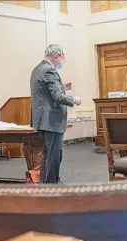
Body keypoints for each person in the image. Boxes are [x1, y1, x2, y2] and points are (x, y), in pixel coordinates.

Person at [30, 44, 81, 184]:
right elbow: (57, 96)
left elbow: (47, 92)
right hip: (51, 120)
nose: (62, 61)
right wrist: (74, 99)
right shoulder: (49, 71)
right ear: (56, 56)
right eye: (62, 58)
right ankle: (52, 189)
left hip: (43, 120)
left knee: (48, 155)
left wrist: (62, 87)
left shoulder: (37, 69)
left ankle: (45, 186)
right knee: (54, 156)